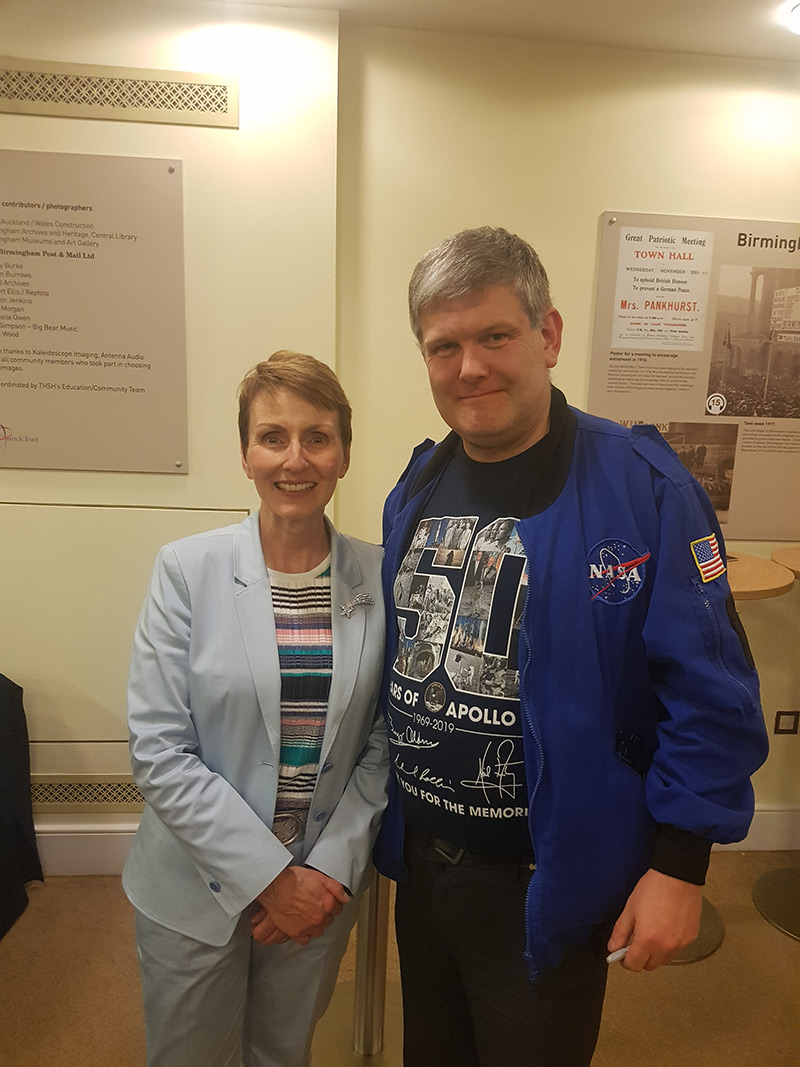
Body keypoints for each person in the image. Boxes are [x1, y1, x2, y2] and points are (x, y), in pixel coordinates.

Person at [372, 227, 768, 1067]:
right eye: (443, 346)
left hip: (543, 883)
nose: (469, 367)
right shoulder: (417, 484)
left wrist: (681, 864)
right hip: (426, 871)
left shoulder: (644, 487)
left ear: (547, 335)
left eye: (494, 335)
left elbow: (711, 693)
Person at [123, 351, 388, 1067]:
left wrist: (328, 871)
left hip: (318, 885)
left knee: (281, 1053)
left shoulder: (379, 575)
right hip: (196, 885)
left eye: (317, 437)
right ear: (245, 454)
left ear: (344, 455)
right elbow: (159, 749)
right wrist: (271, 879)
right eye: (273, 437)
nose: (295, 459)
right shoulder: (187, 570)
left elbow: (383, 743)